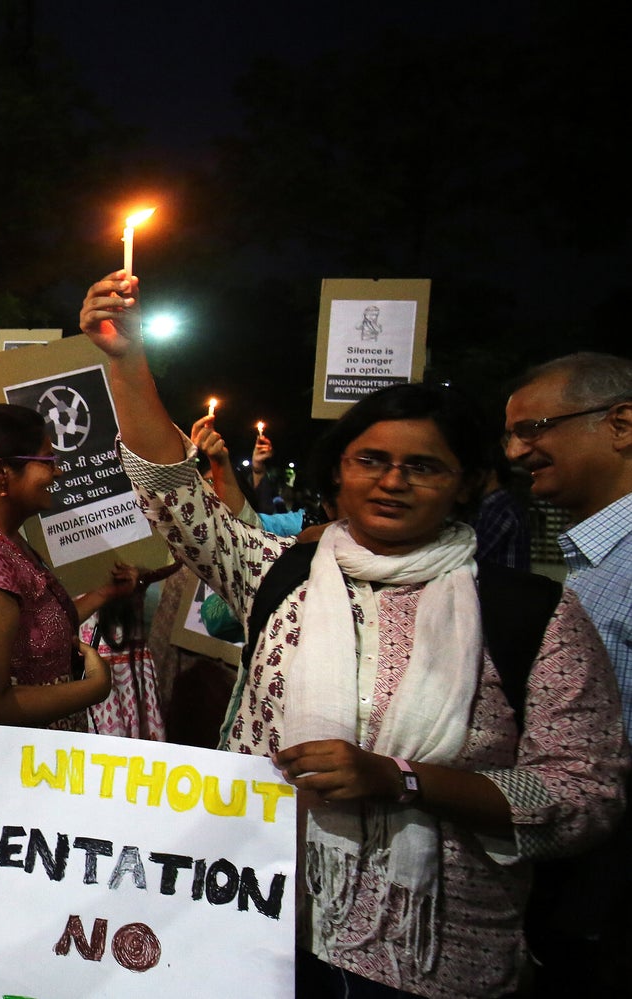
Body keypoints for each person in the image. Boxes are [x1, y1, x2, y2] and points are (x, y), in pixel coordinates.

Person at [79, 270, 627, 998]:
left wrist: (403, 779)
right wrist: (126, 363)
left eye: (423, 466)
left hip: (429, 959)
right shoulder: (280, 574)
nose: (393, 481)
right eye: (371, 460)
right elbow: (175, 496)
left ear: (466, 483)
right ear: (339, 473)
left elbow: (583, 795)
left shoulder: (533, 613)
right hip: (253, 929)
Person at [502, 351, 632, 993]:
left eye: (534, 428)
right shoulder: (593, 565)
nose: (516, 451)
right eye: (510, 435)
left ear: (621, 424)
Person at [0, 405, 123, 730]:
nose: (58, 472)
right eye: (47, 461)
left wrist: (106, 593)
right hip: (21, 757)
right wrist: (94, 688)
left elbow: (36, 628)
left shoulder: (6, 540)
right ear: (1, 472)